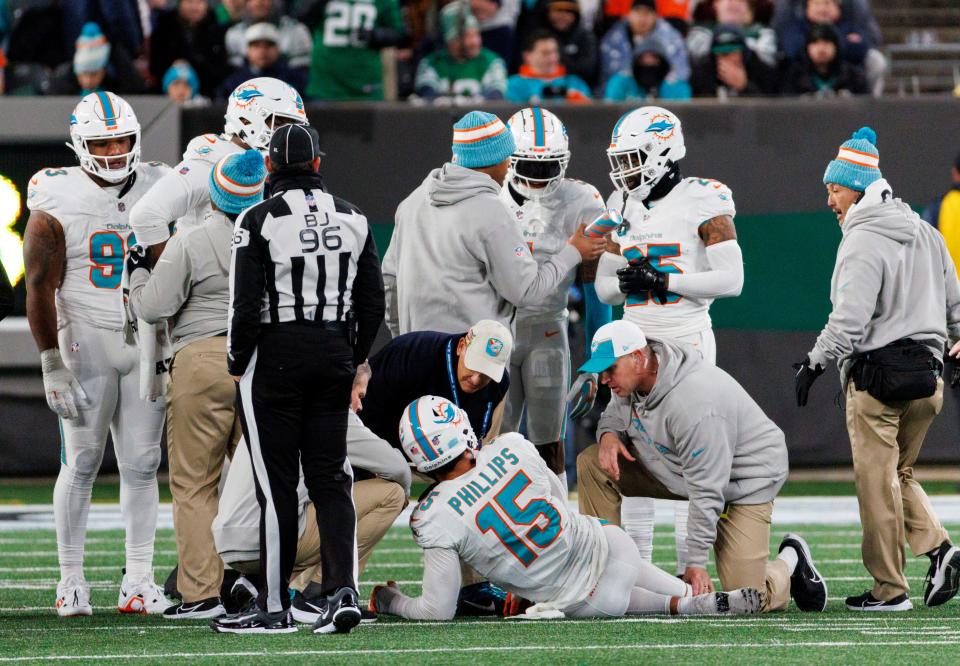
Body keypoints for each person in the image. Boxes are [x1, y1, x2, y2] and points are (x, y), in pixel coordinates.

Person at [371, 395, 764, 620]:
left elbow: (437, 610)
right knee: (624, 570)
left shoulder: (434, 515)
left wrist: (391, 601)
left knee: (610, 594)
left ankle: (680, 603)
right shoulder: (510, 446)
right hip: (610, 542)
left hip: (588, 597)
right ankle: (688, 599)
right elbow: (557, 502)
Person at [212, 124, 385, 635]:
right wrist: (351, 357)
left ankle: (272, 605)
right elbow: (372, 302)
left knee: (277, 486)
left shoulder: (256, 219)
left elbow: (244, 307)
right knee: (333, 479)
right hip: (333, 349)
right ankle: (341, 591)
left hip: (276, 355)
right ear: (316, 164)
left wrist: (237, 361)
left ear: (268, 168)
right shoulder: (353, 216)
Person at [794, 127, 960, 611]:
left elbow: (849, 320)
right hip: (927, 381)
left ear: (860, 188)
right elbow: (956, 308)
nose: (830, 200)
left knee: (875, 484)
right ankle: (940, 549)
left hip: (878, 380)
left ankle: (889, 591)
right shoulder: (925, 232)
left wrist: (814, 361)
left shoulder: (862, 239)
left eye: (835, 189)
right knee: (898, 473)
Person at [22, 92, 171, 617]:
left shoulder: (160, 181)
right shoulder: (55, 195)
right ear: (79, 145)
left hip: (147, 332)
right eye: (102, 141)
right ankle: (70, 580)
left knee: (143, 462)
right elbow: (40, 286)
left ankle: (139, 579)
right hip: (84, 333)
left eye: (122, 139)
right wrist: (49, 360)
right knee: (82, 460)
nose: (113, 150)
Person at [577, 320, 828, 613]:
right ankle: (599, 571)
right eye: (601, 370)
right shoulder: (634, 381)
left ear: (638, 357)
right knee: (593, 463)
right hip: (681, 469)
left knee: (745, 597)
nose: (605, 379)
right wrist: (607, 435)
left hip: (745, 480)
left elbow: (707, 488)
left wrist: (695, 563)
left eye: (611, 369)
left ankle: (790, 561)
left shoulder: (694, 402)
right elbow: (613, 416)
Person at [594, 106, 743, 576]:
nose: (624, 170)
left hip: (687, 342)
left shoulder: (703, 198)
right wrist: (633, 281)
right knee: (635, 457)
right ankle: (641, 574)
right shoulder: (619, 206)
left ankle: (687, 572)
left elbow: (732, 279)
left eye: (634, 157)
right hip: (635, 341)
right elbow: (602, 288)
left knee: (688, 459)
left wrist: (664, 280)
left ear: (663, 151)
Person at [125, 149, 267, 620]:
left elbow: (152, 307)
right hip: (264, 364)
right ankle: (278, 584)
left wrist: (140, 270)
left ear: (217, 196)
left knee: (194, 484)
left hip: (204, 360)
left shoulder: (194, 238)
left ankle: (202, 593)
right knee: (269, 482)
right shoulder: (279, 236)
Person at [384, 110, 606, 337]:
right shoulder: (490, 209)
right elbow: (526, 292)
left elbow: (390, 280)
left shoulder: (411, 202)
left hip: (415, 344)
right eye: (509, 157)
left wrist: (401, 339)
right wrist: (572, 251)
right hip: (471, 354)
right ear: (499, 158)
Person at [497, 107, 609, 487]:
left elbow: (597, 285)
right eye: (530, 165)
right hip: (492, 325)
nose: (541, 178)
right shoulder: (486, 194)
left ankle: (557, 531)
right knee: (494, 443)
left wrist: (597, 359)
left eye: (550, 167)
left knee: (550, 443)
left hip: (548, 326)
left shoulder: (582, 200)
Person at [213, 424, 408, 623]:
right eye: (360, 395)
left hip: (228, 545)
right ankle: (318, 594)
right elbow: (397, 469)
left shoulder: (270, 402)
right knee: (392, 495)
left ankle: (259, 581)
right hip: (266, 539)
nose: (360, 405)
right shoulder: (323, 409)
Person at [130, 76, 307, 264]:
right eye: (280, 124)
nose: (288, 135)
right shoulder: (210, 162)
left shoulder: (273, 165)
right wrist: (171, 273)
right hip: (215, 288)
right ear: (246, 119)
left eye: (294, 127)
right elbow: (146, 215)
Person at [359, 319, 513, 451]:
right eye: (473, 366)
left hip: (449, 459)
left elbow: (481, 441)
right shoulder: (411, 353)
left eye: (486, 374)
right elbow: (365, 411)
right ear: (461, 347)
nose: (476, 380)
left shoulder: (498, 384)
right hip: (384, 446)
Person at [301, 0, 405, 100]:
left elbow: (399, 33)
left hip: (364, 80)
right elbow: (301, 16)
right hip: (326, 80)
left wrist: (375, 35)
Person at [412, 3, 508, 103]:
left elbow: (496, 98)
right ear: (452, 40)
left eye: (477, 35)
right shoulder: (433, 63)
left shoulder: (491, 61)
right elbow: (427, 97)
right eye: (468, 36)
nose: (475, 42)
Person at [599, 0, 690, 91]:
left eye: (647, 13)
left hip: (661, 95)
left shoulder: (671, 38)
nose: (642, 18)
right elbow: (608, 74)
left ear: (655, 16)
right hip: (626, 95)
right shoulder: (614, 38)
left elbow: (681, 72)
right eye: (637, 12)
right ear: (629, 15)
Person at [149, 0, 229, 99]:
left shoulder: (216, 29)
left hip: (206, 95)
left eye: (200, 2)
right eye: (190, 2)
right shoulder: (164, 26)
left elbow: (219, 68)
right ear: (179, 4)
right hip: (166, 96)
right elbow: (155, 64)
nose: (195, 7)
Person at [217, 23, 308, 99]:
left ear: (278, 48)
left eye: (268, 45)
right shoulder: (233, 83)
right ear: (247, 50)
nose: (262, 51)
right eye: (256, 45)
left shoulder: (293, 81)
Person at [690, 23, 777, 97]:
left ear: (743, 52)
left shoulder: (758, 68)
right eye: (722, 54)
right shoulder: (703, 71)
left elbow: (771, 110)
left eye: (733, 52)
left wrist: (744, 87)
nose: (729, 58)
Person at [224, 0, 312, 72]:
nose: (258, 2)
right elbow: (234, 71)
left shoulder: (296, 30)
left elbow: (303, 71)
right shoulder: (234, 34)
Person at [506, 30, 592, 103]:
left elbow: (591, 116)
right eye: (545, 53)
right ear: (527, 56)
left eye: (554, 52)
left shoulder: (575, 83)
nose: (552, 57)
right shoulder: (514, 84)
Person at [686, 0, 778, 68]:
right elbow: (694, 59)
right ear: (715, 5)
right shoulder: (701, 31)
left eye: (741, 1)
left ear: (750, 12)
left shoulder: (763, 34)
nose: (734, 2)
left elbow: (767, 64)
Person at [783, 22, 866, 96]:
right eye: (815, 43)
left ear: (836, 47)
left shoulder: (853, 76)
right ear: (807, 47)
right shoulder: (795, 75)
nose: (821, 49)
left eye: (826, 43)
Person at [603, 36, 692, 100]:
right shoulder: (620, 83)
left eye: (654, 58)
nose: (648, 62)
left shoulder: (677, 87)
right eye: (643, 58)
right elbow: (611, 114)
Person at [538, 0, 598, 87]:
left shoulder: (585, 37)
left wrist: (560, 67)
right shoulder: (538, 36)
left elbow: (588, 70)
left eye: (568, 11)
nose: (563, 16)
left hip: (578, 88)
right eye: (558, 10)